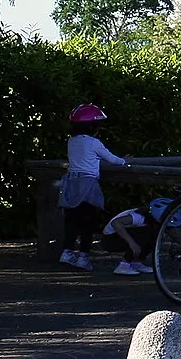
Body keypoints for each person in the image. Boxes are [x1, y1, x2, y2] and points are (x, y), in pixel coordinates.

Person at [57, 103, 127, 270]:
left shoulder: (72, 141)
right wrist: (125, 161)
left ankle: (67, 252)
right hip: (88, 184)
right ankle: (83, 256)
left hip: (72, 183)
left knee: (72, 220)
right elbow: (112, 159)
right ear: (92, 126)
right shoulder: (94, 143)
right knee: (88, 221)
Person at [103, 197, 172, 275]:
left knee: (155, 234)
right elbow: (116, 223)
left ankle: (136, 262)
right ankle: (124, 265)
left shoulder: (152, 222)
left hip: (121, 238)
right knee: (145, 232)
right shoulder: (139, 216)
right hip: (110, 240)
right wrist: (132, 243)